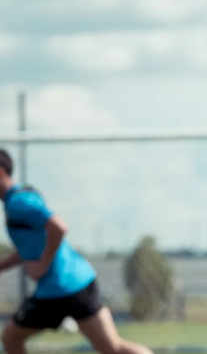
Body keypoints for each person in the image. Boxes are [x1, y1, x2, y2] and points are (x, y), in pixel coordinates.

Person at [0, 148, 153, 354]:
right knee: (112, 347)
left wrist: (43, 265)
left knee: (11, 338)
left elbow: (58, 226)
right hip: (79, 282)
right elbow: (31, 249)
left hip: (57, 289)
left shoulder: (19, 203)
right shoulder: (18, 199)